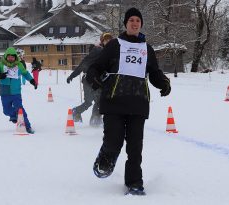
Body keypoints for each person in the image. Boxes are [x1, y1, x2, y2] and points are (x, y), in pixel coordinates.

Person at [86, 8, 171, 195]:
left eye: (138, 20)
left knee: (135, 148)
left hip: (138, 103)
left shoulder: (147, 49)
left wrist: (163, 83)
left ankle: (134, 183)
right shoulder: (114, 45)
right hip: (114, 102)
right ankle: (107, 154)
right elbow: (95, 67)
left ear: (141, 24)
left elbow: (154, 72)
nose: (134, 23)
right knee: (114, 141)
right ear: (126, 24)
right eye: (131, 20)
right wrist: (94, 78)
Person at [66, 33, 113, 126]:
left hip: (98, 81)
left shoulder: (109, 52)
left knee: (99, 101)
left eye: (110, 40)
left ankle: (95, 120)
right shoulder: (97, 50)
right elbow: (84, 63)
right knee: (90, 102)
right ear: (102, 41)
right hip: (89, 80)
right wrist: (72, 75)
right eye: (106, 40)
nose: (108, 42)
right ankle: (77, 112)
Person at [0, 47, 37, 134]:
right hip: (5, 92)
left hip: (16, 92)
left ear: (15, 57)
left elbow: (25, 73)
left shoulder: (19, 65)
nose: (10, 58)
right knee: (6, 111)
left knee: (20, 109)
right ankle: (14, 116)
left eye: (12, 57)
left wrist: (32, 80)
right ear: (6, 56)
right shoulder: (0, 65)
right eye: (9, 56)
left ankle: (28, 126)